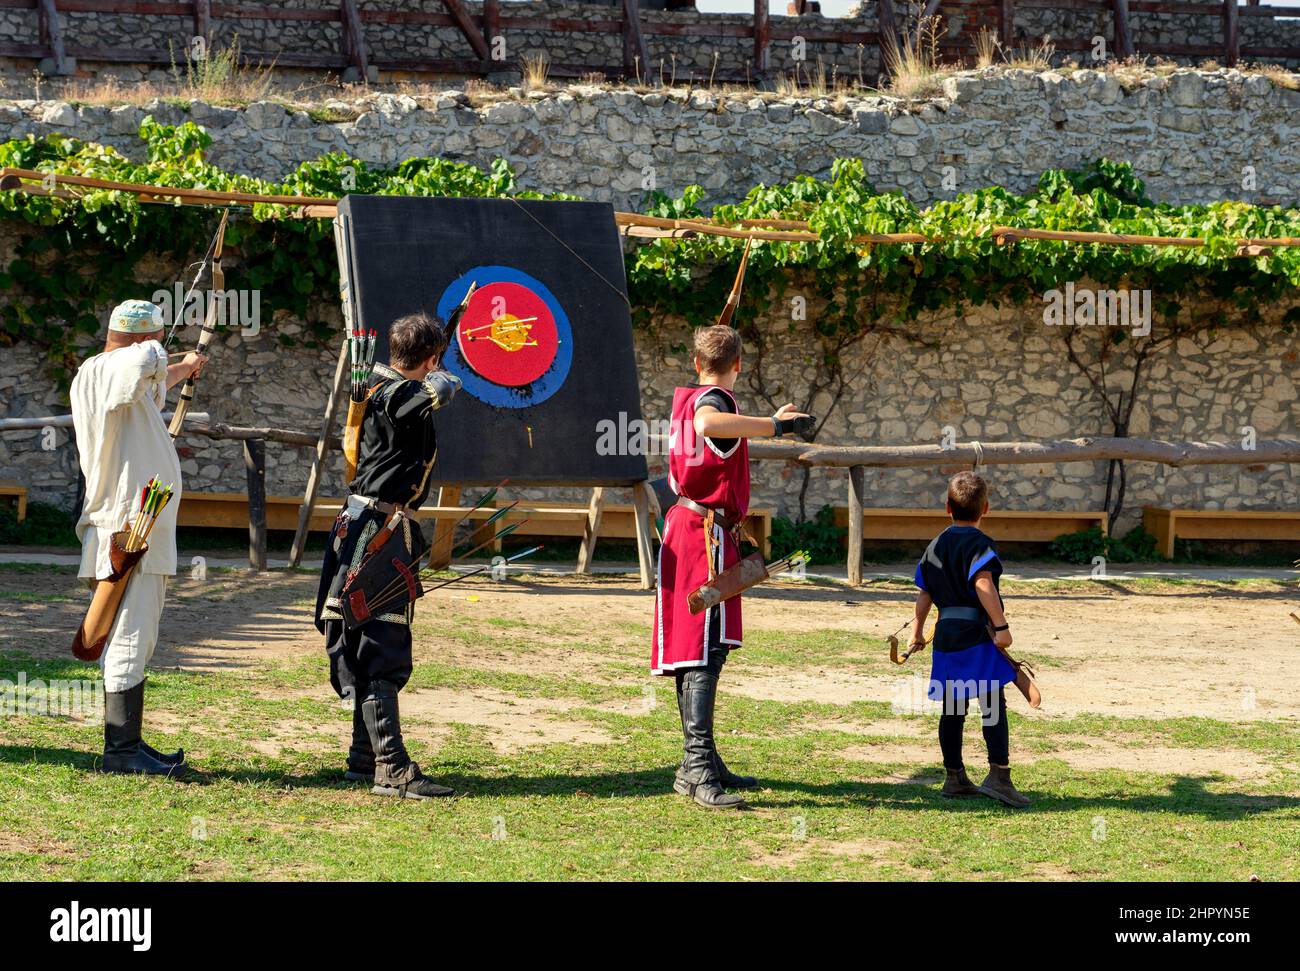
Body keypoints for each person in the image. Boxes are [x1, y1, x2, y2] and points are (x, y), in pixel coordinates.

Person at [652, 323, 811, 809]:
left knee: (702, 648)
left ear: (696, 364)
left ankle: (698, 762)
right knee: (700, 651)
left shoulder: (691, 394)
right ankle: (698, 769)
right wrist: (774, 425)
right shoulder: (713, 402)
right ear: (738, 365)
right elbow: (708, 424)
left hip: (695, 529)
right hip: (701, 536)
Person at [315, 311, 461, 800]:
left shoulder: (379, 388)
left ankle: (364, 756)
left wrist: (433, 358)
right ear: (430, 357)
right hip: (379, 529)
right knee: (381, 641)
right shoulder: (398, 394)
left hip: (364, 523)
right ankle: (391, 768)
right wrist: (441, 372)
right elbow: (432, 393)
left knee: (365, 636)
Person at [70, 299, 206, 777]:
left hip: (136, 526)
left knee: (136, 635)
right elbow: (138, 362)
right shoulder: (104, 369)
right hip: (127, 530)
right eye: (156, 340)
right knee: (128, 635)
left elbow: (145, 378)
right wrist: (165, 353)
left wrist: (183, 367)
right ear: (143, 339)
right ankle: (121, 751)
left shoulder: (124, 386)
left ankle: (130, 743)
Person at [909, 471, 1030, 808]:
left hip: (947, 637)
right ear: (986, 508)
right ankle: (999, 777)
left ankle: (954, 776)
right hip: (976, 636)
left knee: (953, 708)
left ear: (947, 507)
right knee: (992, 705)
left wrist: (917, 632)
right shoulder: (980, 544)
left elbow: (925, 594)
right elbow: (982, 584)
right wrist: (1002, 626)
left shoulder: (935, 545)